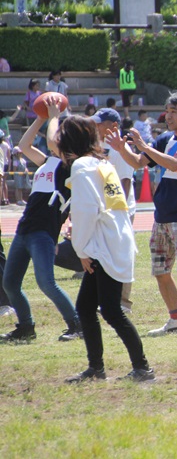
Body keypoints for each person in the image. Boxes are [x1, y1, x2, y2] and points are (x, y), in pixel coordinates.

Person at [105, 92, 177, 337]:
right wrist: (122, 149)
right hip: (161, 216)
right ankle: (176, 319)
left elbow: (176, 164)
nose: (168, 115)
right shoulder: (165, 137)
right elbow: (137, 162)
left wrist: (144, 146)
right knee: (161, 271)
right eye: (167, 110)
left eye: (174, 111)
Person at [60, 115, 155, 383]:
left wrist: (81, 249)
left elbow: (87, 210)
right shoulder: (102, 162)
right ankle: (96, 369)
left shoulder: (81, 166)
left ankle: (143, 368)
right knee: (86, 307)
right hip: (114, 241)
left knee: (111, 310)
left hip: (102, 246)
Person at [1, 97, 81, 343]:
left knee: (47, 283)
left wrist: (54, 114)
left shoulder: (71, 164)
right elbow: (25, 145)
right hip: (25, 228)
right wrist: (41, 117)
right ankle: (26, 327)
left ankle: (77, 325)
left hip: (44, 231)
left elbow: (51, 140)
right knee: (10, 284)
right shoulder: (48, 162)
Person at [91, 108, 137, 313]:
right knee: (103, 253)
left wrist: (119, 212)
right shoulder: (96, 146)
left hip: (120, 208)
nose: (95, 126)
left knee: (121, 253)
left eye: (100, 123)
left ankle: (123, 301)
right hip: (103, 207)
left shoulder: (119, 148)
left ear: (113, 126)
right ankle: (106, 298)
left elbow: (125, 181)